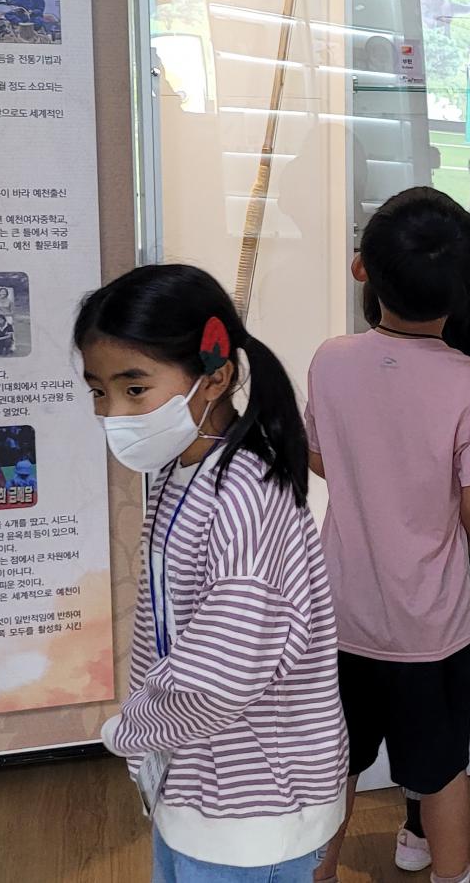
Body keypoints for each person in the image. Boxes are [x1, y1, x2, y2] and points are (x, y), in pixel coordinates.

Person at [81, 263, 346, 883]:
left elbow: (220, 679)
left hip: (254, 810)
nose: (113, 412)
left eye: (134, 389)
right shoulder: (183, 472)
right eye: (98, 392)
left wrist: (131, 729)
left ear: (215, 376)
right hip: (196, 786)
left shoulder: (245, 496)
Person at [306, 187, 470, 883]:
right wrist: (453, 532)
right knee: (441, 764)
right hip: (432, 621)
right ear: (469, 287)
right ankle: (449, 874)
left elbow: (320, 457)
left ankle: (318, 873)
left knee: (336, 760)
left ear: (364, 269)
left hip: (342, 610)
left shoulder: (331, 358)